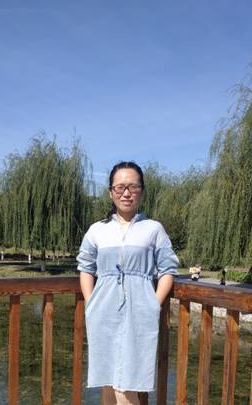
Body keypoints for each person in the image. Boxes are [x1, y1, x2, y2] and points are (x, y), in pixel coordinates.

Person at [77, 161, 179, 405]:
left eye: (133, 187)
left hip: (140, 311)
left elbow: (168, 269)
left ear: (141, 191)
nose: (126, 193)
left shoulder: (153, 229)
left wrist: (153, 303)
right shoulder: (97, 230)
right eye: (120, 187)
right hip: (103, 311)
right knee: (108, 378)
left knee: (128, 380)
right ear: (111, 192)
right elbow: (85, 267)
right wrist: (91, 303)